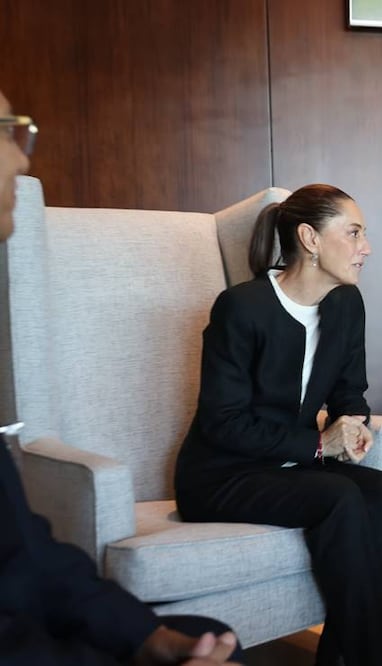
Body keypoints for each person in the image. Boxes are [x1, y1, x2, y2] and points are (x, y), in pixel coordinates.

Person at [0, 90, 243, 664]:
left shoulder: (344, 312)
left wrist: (148, 639)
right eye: (7, 128)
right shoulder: (242, 311)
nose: (23, 156)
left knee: (207, 634)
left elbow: (27, 553)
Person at [173, 184, 382, 666]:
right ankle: (380, 652)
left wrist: (354, 425)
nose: (366, 247)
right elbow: (223, 422)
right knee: (339, 496)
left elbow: (349, 391)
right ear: (310, 238)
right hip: (221, 475)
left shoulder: (346, 304)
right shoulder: (241, 307)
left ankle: (342, 656)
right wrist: (322, 445)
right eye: (354, 232)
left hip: (287, 464)